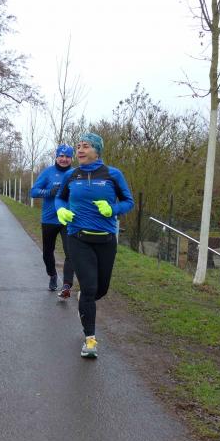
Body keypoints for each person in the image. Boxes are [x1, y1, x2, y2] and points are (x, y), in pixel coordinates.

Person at [54, 133, 134, 358]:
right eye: (78, 146)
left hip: (106, 239)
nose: (80, 150)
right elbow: (60, 198)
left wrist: (113, 210)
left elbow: (129, 201)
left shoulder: (112, 174)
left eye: (86, 146)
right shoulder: (71, 175)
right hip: (78, 238)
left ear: (97, 151)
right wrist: (61, 210)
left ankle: (85, 301)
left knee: (101, 289)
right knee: (89, 288)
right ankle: (90, 339)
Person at [30, 144, 76, 296]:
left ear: (71, 158)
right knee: (47, 253)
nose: (64, 159)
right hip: (49, 219)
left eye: (67, 156)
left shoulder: (76, 173)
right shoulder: (48, 172)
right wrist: (49, 192)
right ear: (56, 157)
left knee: (70, 252)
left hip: (68, 219)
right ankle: (53, 275)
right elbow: (33, 192)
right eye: (61, 156)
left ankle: (67, 285)